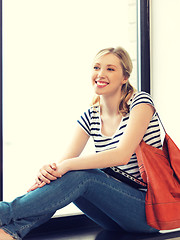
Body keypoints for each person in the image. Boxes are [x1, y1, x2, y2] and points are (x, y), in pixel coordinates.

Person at [0, 47, 161, 240]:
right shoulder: (91, 116)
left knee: (83, 174)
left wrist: (66, 166)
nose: (100, 74)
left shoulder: (140, 103)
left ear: (125, 77)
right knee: (65, 177)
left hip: (151, 212)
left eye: (110, 69)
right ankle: (10, 233)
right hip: (115, 216)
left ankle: (5, 213)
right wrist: (49, 172)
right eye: (96, 67)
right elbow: (62, 170)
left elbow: (122, 155)